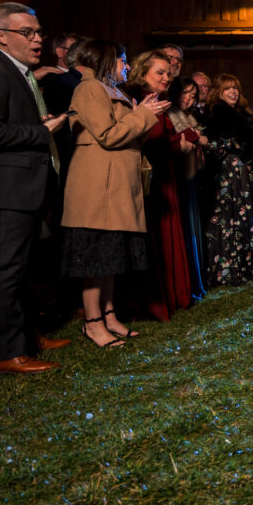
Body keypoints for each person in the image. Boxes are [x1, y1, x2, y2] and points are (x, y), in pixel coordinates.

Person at [0, 2, 70, 372]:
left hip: (28, 186)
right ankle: (4, 353)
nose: (38, 38)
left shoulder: (21, 73)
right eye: (28, 33)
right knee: (4, 271)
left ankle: (26, 336)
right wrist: (42, 131)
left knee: (22, 269)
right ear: (1, 36)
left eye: (38, 31)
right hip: (9, 189)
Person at [61, 40, 168, 346]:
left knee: (109, 259)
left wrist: (145, 116)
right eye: (123, 60)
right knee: (95, 261)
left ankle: (109, 317)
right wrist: (144, 114)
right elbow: (108, 136)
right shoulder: (90, 88)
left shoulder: (113, 91)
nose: (128, 66)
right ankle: (92, 323)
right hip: (98, 189)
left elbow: (129, 136)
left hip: (115, 186)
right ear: (107, 61)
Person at [125, 51, 195, 320]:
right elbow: (146, 142)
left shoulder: (158, 100)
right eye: (160, 72)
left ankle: (173, 294)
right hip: (149, 183)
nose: (167, 77)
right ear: (143, 71)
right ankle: (151, 302)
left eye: (168, 73)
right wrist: (179, 143)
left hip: (166, 178)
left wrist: (181, 140)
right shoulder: (137, 99)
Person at [202, 74, 253, 286]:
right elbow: (211, 142)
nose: (233, 92)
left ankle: (247, 266)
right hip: (226, 173)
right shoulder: (216, 112)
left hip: (244, 172)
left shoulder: (242, 114)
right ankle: (228, 270)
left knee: (245, 216)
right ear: (219, 92)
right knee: (226, 217)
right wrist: (235, 146)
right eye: (228, 88)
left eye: (236, 88)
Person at [166, 76, 208, 300]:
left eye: (193, 96)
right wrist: (194, 136)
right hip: (177, 176)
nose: (190, 100)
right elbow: (172, 140)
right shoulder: (169, 113)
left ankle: (196, 280)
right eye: (186, 95)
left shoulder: (191, 116)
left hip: (191, 176)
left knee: (193, 227)